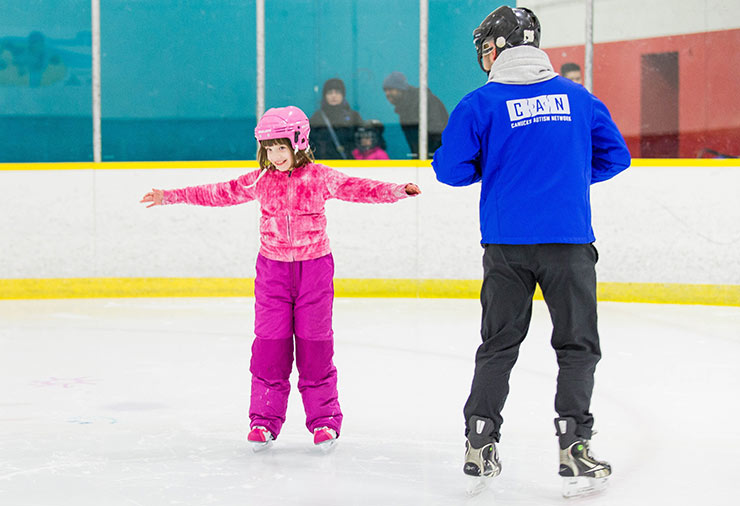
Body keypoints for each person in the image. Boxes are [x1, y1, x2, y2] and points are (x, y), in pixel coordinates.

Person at [431, 6, 630, 498]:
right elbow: (615, 157)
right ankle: (575, 448)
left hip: (506, 248)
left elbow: (450, 170)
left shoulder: (480, 104)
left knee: (498, 345)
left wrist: (501, 174)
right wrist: (561, 180)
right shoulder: (578, 98)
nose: (483, 55)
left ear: (500, 47)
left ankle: (480, 444)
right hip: (568, 245)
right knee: (577, 345)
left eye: (485, 46)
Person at [140, 106, 421, 452]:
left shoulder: (319, 177)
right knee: (269, 347)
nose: (275, 157)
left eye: (281, 148)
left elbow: (356, 187)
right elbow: (218, 193)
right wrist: (170, 196)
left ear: (299, 143)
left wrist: (396, 190)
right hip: (272, 272)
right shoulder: (260, 180)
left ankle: (324, 422)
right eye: (269, 149)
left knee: (315, 346)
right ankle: (263, 421)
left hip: (314, 270)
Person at [382, 71, 448, 158]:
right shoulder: (405, 107)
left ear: (401, 89)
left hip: (434, 158)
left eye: (390, 89)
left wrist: (431, 156)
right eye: (385, 90)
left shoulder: (423, 100)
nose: (387, 94)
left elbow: (438, 130)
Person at [309, 78, 363, 159]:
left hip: (350, 164)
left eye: (337, 92)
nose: (333, 96)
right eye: (330, 93)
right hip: (325, 162)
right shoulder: (317, 118)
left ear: (343, 95)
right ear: (325, 96)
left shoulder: (353, 116)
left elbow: (361, 142)